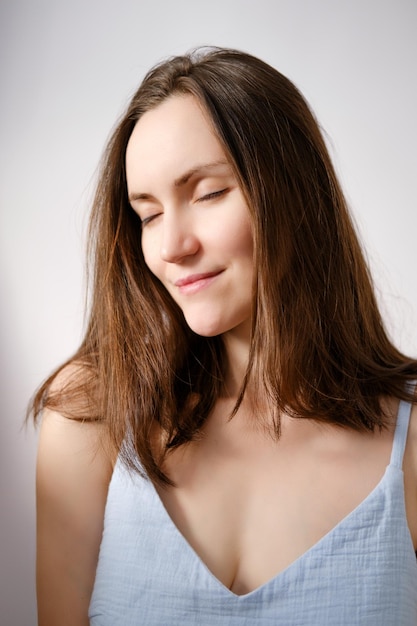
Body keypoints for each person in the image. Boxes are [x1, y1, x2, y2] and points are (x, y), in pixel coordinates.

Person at [31, 47, 417, 625]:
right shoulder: (91, 412)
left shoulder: (408, 440)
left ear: (294, 194)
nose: (171, 247)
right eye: (149, 214)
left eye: (208, 193)